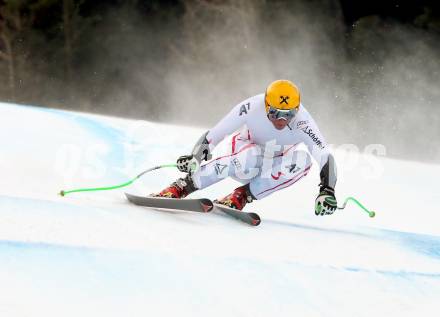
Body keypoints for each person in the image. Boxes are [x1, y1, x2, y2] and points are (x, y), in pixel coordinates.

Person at [153, 80, 338, 216]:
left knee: (304, 161)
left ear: (296, 110)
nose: (281, 120)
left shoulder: (304, 122)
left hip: (271, 165)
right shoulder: (251, 106)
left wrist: (327, 190)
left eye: (288, 114)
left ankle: (242, 196)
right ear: (266, 106)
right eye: (274, 113)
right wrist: (195, 157)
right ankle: (182, 186)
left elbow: (325, 156)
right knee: (252, 154)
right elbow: (216, 133)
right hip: (243, 156)